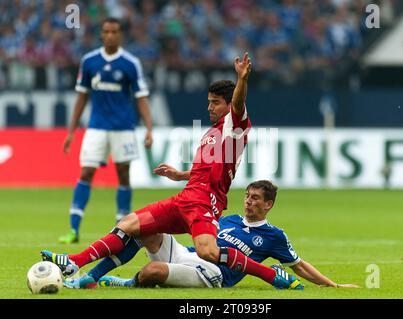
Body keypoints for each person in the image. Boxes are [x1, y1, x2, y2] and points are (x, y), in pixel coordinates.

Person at [42, 52, 301, 290]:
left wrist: (241, 79)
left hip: (204, 202)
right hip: (186, 196)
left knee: (208, 252)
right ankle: (79, 267)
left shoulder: (235, 125)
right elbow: (209, 170)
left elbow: (239, 101)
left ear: (228, 104)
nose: (209, 107)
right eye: (208, 102)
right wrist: (181, 175)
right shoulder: (213, 132)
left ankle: (272, 277)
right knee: (130, 224)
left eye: (215, 103)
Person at [64, 180, 359, 290]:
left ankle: (128, 283)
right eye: (247, 195)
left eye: (256, 198)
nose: (249, 201)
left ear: (268, 204)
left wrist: (332, 285)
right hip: (188, 255)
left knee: (151, 271)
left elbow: (299, 264)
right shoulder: (228, 219)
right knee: (144, 229)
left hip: (212, 274)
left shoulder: (273, 235)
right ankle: (89, 277)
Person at [58, 17, 153, 244]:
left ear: (120, 35)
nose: (110, 35)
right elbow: (81, 96)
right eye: (106, 31)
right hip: (96, 128)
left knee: (123, 175)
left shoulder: (130, 63)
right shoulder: (89, 61)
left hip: (123, 128)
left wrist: (149, 128)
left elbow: (141, 98)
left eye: (114, 32)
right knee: (86, 173)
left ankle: (122, 229)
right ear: (102, 34)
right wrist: (71, 131)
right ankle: (73, 229)